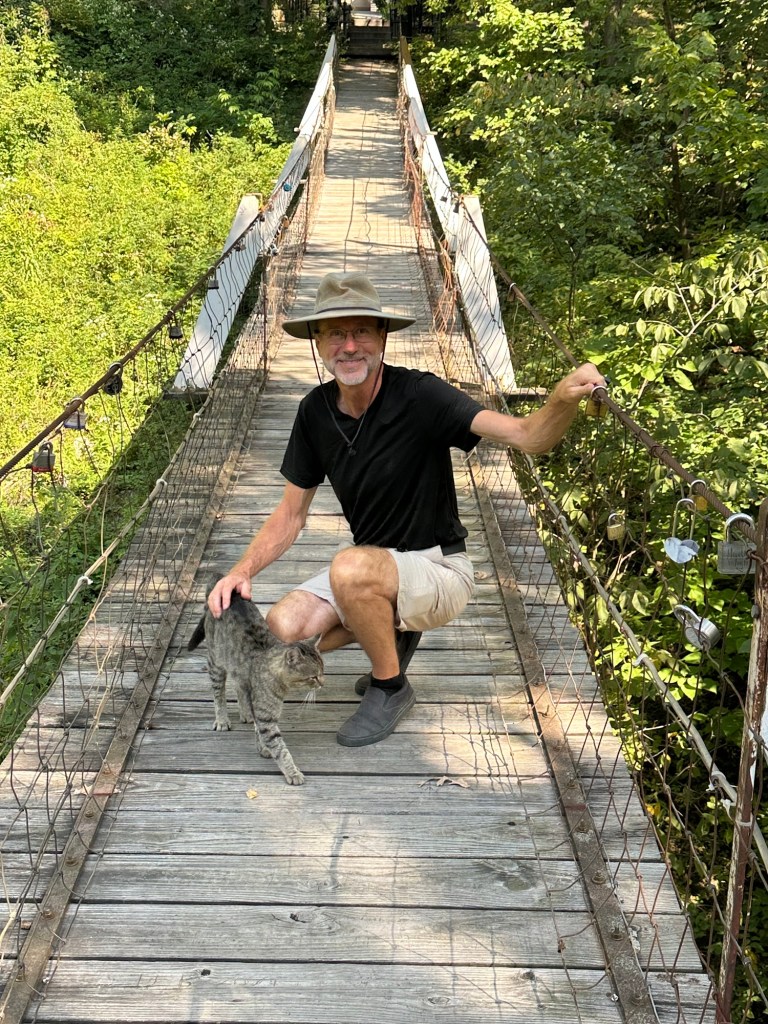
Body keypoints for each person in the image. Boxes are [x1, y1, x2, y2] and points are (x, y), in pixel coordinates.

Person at [208, 271, 606, 747]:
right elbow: (291, 514)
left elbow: (527, 436)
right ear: (318, 342)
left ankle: (389, 686)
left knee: (351, 567)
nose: (349, 346)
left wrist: (561, 399)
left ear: (382, 337)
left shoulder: (421, 395)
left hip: (440, 567)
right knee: (280, 629)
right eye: (336, 332)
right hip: (378, 570)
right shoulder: (315, 411)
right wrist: (241, 570)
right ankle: (390, 628)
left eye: (361, 331)